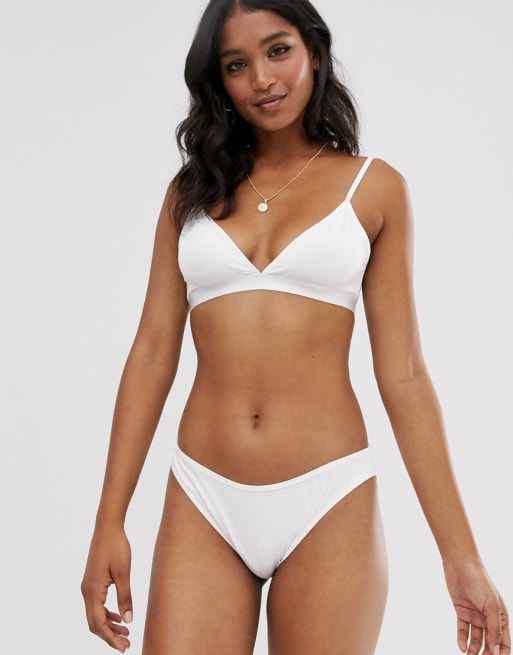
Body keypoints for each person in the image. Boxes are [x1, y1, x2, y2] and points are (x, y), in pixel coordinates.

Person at [81, 0, 510, 653]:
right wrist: (108, 521)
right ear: (218, 80)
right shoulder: (189, 194)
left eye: (277, 50)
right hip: (203, 493)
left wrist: (461, 556)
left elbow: (403, 374)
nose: (261, 78)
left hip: (327, 496)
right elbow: (152, 353)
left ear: (313, 49)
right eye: (236, 64)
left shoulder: (373, 188)